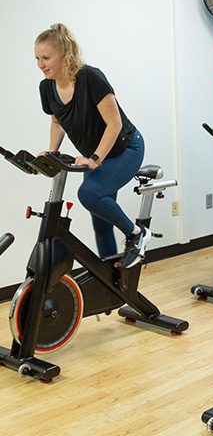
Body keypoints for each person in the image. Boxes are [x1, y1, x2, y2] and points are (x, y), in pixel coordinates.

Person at [35, 24, 148, 267]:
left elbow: (114, 124)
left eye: (46, 58)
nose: (41, 64)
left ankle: (137, 235)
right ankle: (111, 279)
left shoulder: (90, 77)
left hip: (126, 149)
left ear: (64, 55)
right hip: (97, 156)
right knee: (100, 221)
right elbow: (57, 120)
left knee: (89, 194)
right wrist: (52, 152)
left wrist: (95, 159)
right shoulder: (47, 87)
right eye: (37, 58)